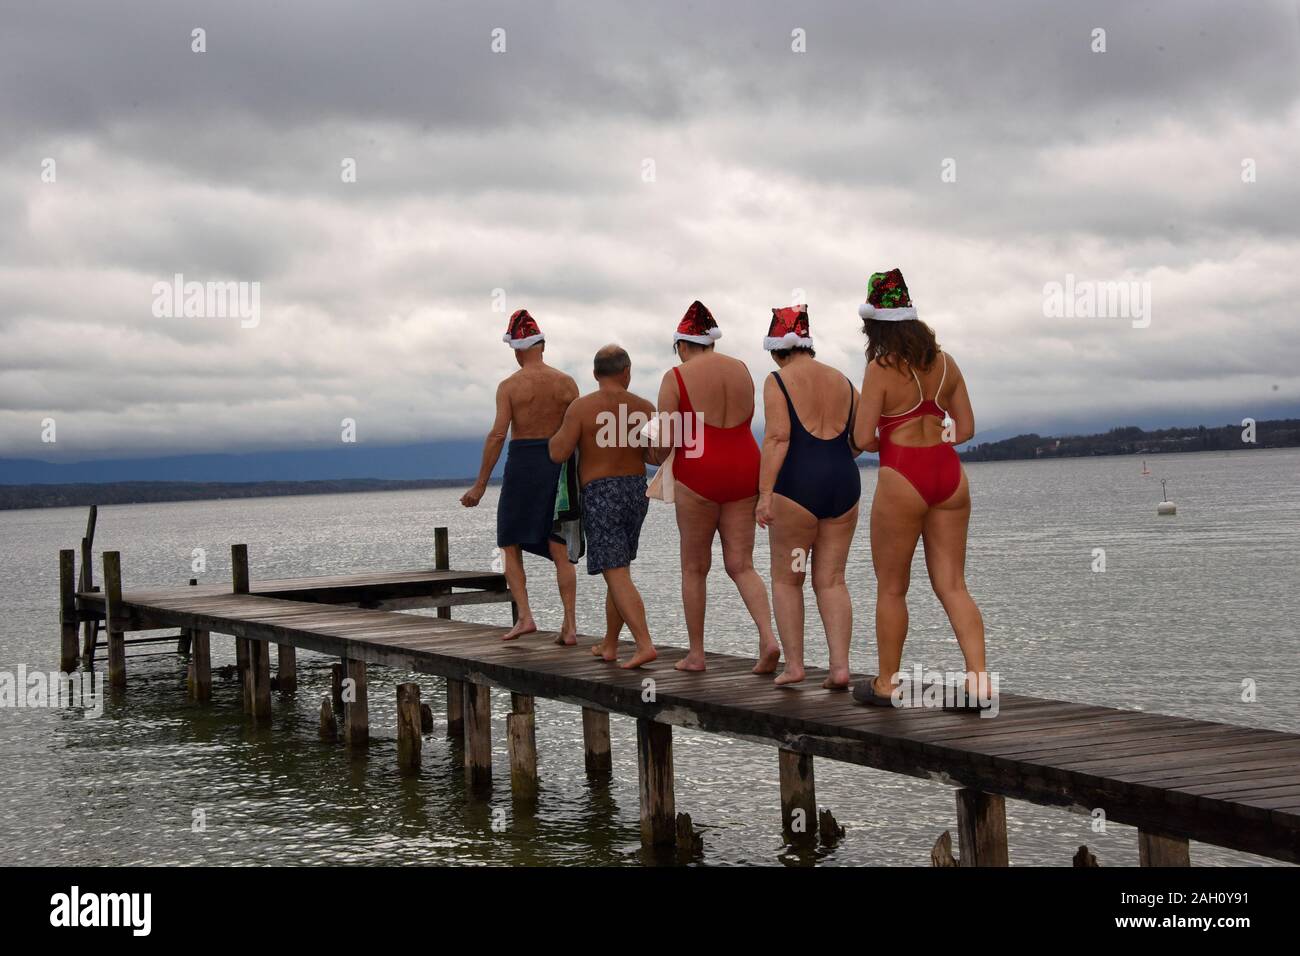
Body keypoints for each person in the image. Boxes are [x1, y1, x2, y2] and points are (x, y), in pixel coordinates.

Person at [848, 269, 990, 710]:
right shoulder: (947, 364)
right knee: (953, 584)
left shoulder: (880, 368)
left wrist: (887, 439)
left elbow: (860, 435)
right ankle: (980, 683)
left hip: (902, 476)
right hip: (949, 476)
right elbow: (964, 429)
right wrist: (935, 440)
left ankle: (887, 684)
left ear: (875, 324)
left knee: (892, 588)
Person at [656, 301, 779, 673]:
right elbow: (748, 418)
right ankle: (768, 638)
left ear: (682, 345)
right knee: (742, 564)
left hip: (699, 469)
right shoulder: (741, 369)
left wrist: (650, 455)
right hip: (745, 464)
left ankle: (696, 654)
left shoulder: (675, 377)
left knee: (694, 567)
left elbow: (666, 437)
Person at [755, 305, 861, 688]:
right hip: (843, 485)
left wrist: (765, 494)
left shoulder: (777, 380)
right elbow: (862, 439)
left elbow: (778, 437)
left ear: (777, 349)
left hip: (797, 487)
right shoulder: (845, 381)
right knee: (831, 580)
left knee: (788, 578)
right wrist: (834, 460)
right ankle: (839, 668)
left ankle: (796, 666)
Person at [461, 309, 580, 643]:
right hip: (558, 462)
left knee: (509, 540)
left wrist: (480, 485)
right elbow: (579, 428)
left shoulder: (510, 386)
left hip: (524, 464)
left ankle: (526, 617)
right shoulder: (567, 383)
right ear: (542, 346)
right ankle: (569, 626)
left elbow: (498, 435)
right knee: (558, 544)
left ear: (517, 349)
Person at [548, 345, 658, 669]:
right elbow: (655, 456)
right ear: (627, 371)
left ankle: (644, 644)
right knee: (619, 568)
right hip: (637, 490)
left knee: (617, 572)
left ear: (596, 374)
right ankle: (610, 645)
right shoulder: (645, 407)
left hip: (601, 493)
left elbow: (558, 452)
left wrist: (558, 429)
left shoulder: (582, 408)